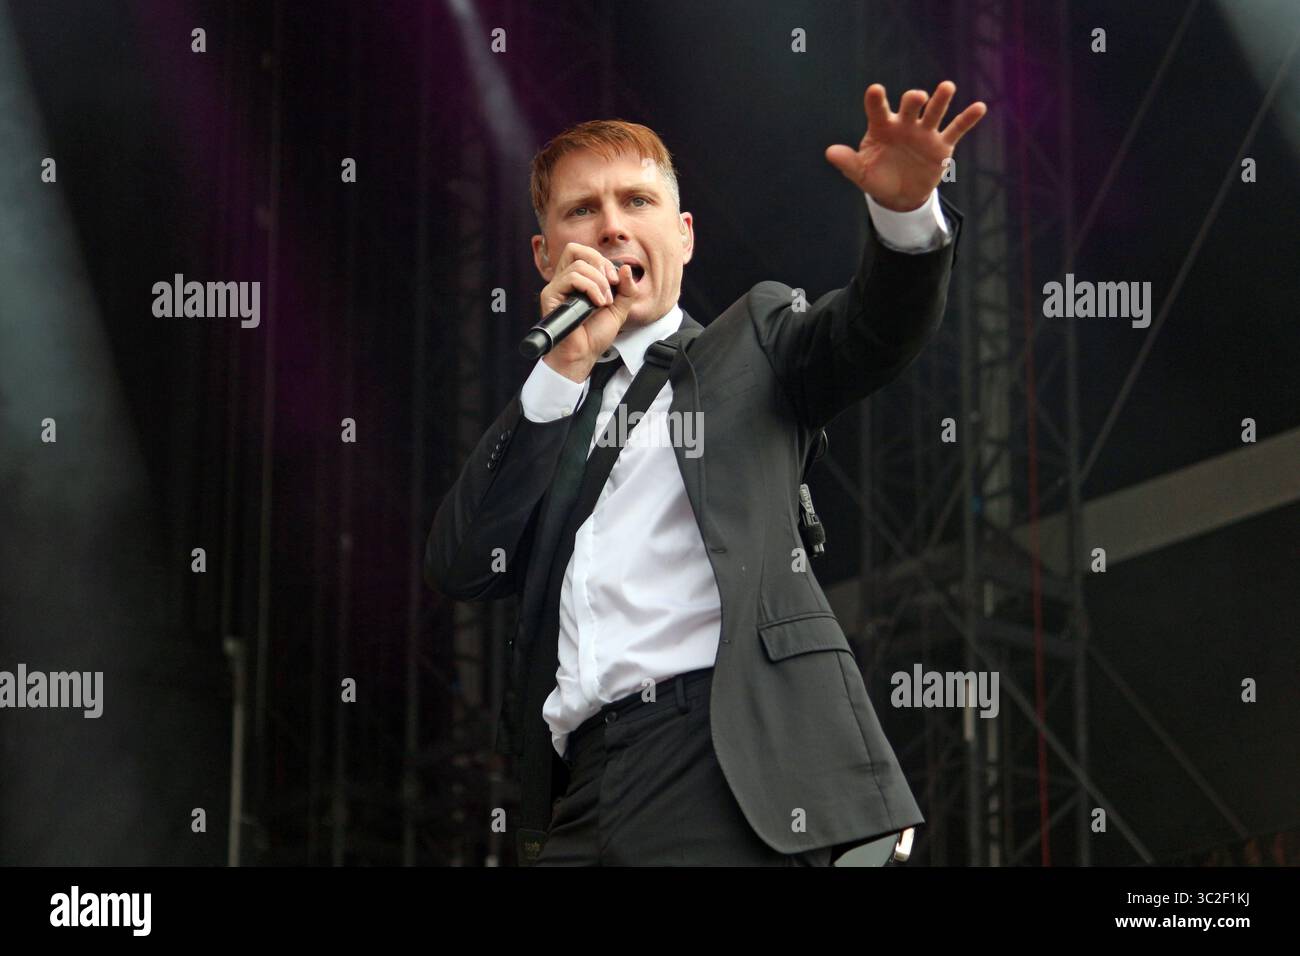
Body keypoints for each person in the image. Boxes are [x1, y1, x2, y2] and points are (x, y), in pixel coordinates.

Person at [426, 81, 986, 865]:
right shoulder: (553, 405)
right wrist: (559, 371)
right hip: (579, 785)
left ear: (684, 235)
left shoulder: (749, 339)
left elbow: (873, 332)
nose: (613, 225)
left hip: (720, 751)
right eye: (582, 210)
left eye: (636, 202)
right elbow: (459, 564)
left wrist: (903, 219)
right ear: (545, 253)